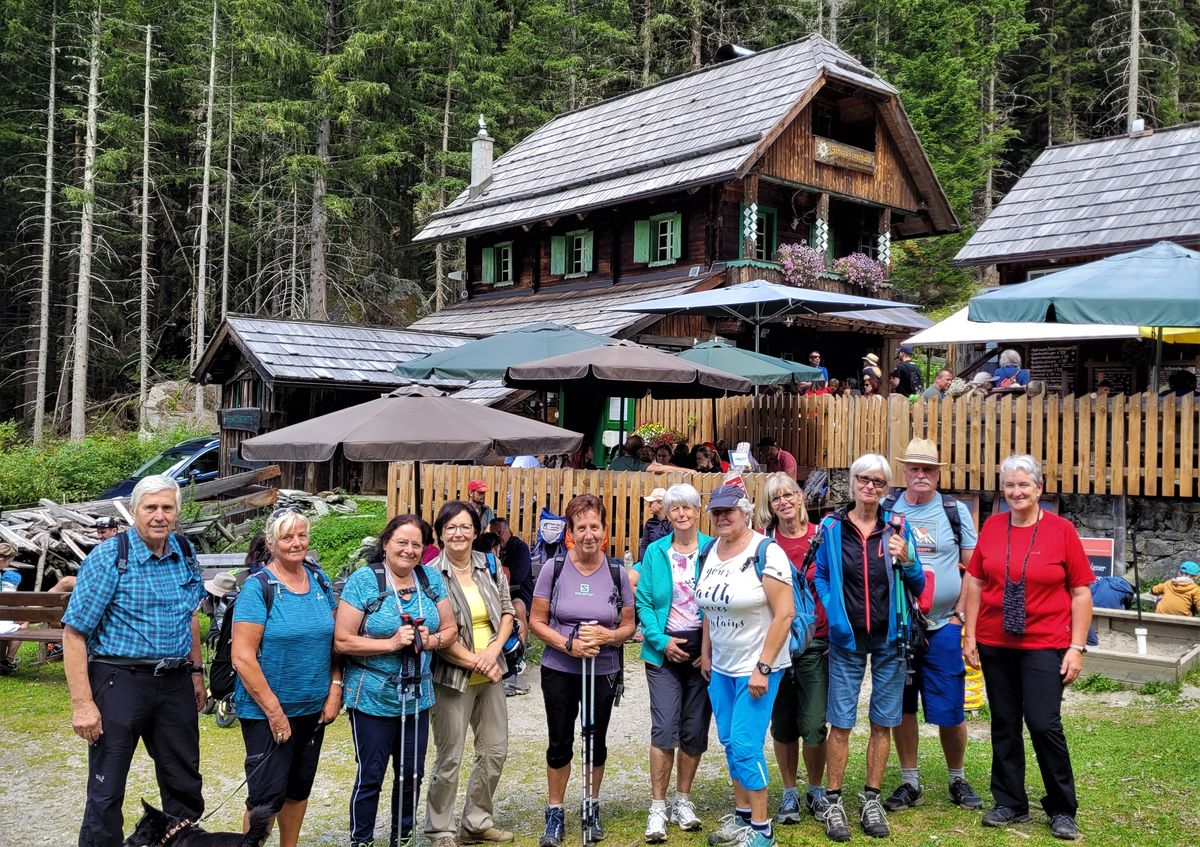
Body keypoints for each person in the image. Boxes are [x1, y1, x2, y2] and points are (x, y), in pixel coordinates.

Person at [61, 475, 206, 847]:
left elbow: (189, 615)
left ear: (177, 513)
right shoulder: (110, 558)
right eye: (151, 507)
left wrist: (196, 672)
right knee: (107, 789)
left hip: (174, 680)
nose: (160, 516)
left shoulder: (184, 552)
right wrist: (82, 704)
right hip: (119, 680)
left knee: (184, 783)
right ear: (135, 512)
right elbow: (74, 633)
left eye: (167, 508)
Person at [963, 454, 1093, 841]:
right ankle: (1010, 801)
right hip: (994, 641)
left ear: (1039, 488)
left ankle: (1061, 806)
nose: (1016, 492)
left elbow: (1081, 591)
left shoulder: (1061, 530)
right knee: (1003, 722)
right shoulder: (992, 526)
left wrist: (1077, 648)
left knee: (1043, 723)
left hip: (1045, 643)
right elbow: (974, 582)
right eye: (1009, 485)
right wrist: (969, 634)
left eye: (1024, 485)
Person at [813, 454, 924, 842]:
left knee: (883, 721)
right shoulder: (831, 527)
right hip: (847, 640)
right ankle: (833, 800)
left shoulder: (898, 526)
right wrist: (834, 614)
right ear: (853, 482)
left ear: (886, 488)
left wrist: (907, 560)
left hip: (891, 638)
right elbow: (822, 576)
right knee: (841, 721)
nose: (871, 487)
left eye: (879, 482)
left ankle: (872, 798)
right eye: (865, 479)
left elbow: (919, 585)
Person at [335, 515, 459, 847]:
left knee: (411, 775)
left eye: (416, 544)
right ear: (386, 542)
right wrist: (390, 644)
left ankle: (402, 838)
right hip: (372, 694)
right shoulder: (364, 581)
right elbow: (343, 640)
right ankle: (361, 840)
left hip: (417, 693)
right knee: (371, 775)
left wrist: (429, 640)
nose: (408, 550)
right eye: (401, 542)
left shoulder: (430, 579)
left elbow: (450, 630)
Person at [880, 439, 983, 815]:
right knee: (903, 705)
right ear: (903, 472)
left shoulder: (954, 511)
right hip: (899, 627)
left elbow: (974, 571)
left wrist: (961, 616)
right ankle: (910, 781)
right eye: (914, 468)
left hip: (943, 626)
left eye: (929, 469)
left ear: (939, 473)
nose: (921, 475)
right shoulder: (887, 509)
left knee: (950, 706)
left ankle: (957, 776)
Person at [231, 510, 341, 847]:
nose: (296, 543)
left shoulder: (320, 581)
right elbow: (242, 657)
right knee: (265, 797)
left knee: (298, 788)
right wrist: (275, 714)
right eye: (287, 537)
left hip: (312, 708)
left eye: (301, 535)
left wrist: (335, 687)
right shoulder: (258, 588)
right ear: (271, 542)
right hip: (267, 713)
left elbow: (336, 641)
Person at [530, 494, 636, 847]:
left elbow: (628, 627)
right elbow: (536, 621)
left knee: (595, 740)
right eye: (581, 528)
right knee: (559, 742)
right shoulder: (553, 568)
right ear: (570, 533)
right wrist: (569, 645)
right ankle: (555, 811)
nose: (588, 534)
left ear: (605, 531)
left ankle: (591, 806)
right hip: (560, 668)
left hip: (603, 668)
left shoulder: (618, 571)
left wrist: (608, 636)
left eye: (595, 527)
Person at [697, 484, 794, 847]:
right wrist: (706, 652)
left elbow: (785, 614)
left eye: (729, 511)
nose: (722, 518)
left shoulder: (767, 553)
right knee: (728, 742)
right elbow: (709, 607)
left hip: (757, 668)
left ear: (746, 512)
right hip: (721, 667)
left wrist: (763, 667)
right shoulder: (710, 550)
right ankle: (741, 817)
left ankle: (761, 829)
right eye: (717, 512)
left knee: (745, 744)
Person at [425, 502, 516, 847]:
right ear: (440, 534)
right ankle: (440, 829)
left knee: (494, 750)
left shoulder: (489, 565)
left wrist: (492, 654)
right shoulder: (431, 574)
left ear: (476, 532)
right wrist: (475, 661)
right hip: (451, 677)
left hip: (491, 674)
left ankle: (477, 821)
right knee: (449, 757)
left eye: (465, 527)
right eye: (450, 528)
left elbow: (507, 612)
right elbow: (437, 632)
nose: (458, 533)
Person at [634, 484, 713, 842]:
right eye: (675, 508)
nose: (682, 514)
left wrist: (708, 650)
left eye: (688, 508)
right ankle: (658, 806)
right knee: (665, 728)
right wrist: (661, 641)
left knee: (695, 730)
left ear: (698, 512)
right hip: (664, 647)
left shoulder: (713, 548)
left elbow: (719, 601)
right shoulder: (655, 551)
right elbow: (645, 602)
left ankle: (683, 799)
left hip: (703, 647)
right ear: (666, 513)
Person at [755, 473, 831, 827]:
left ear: (800, 497)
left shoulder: (823, 536)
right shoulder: (764, 543)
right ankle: (789, 791)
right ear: (770, 507)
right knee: (783, 724)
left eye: (788, 494)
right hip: (777, 644)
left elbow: (839, 584)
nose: (784, 502)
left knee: (814, 724)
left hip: (817, 643)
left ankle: (815, 789)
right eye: (775, 498)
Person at [640, 488, 671, 561]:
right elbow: (644, 546)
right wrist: (644, 564)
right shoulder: (650, 523)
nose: (648, 506)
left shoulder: (671, 524)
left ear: (660, 504)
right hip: (648, 560)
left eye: (651, 503)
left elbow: (670, 547)